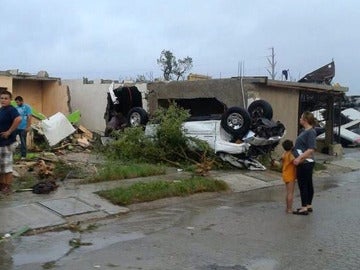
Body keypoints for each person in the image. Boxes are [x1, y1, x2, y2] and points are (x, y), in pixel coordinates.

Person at [292, 111, 317, 215]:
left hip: (305, 162)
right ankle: (308, 205)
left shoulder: (310, 132)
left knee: (304, 185)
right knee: (308, 183)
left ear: (305, 120)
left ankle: (304, 207)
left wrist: (299, 158)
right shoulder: (305, 131)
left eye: (301, 118)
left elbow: (311, 149)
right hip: (305, 161)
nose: (300, 119)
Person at [0, 90, 21, 194]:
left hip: (7, 142)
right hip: (1, 143)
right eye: (2, 98)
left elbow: (18, 119)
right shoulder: (2, 110)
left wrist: (9, 131)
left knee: (7, 166)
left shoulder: (11, 109)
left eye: (6, 98)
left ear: (10, 100)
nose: (3, 100)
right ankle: (2, 185)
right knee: (2, 166)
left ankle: (7, 186)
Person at [281, 139, 297, 213]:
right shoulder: (290, 154)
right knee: (290, 192)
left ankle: (287, 208)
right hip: (291, 175)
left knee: (288, 192)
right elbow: (295, 162)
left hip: (285, 174)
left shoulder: (284, 154)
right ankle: (289, 209)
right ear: (292, 146)